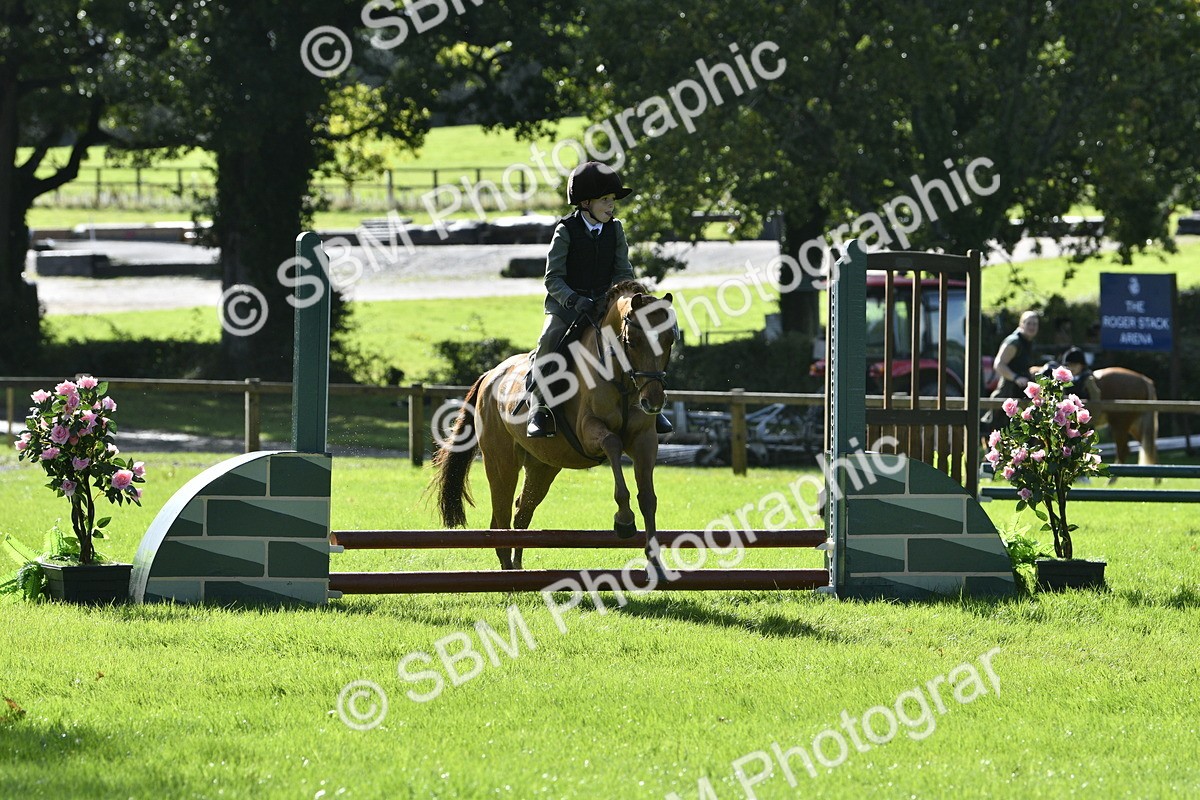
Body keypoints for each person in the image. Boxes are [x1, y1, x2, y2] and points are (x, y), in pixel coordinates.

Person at [525, 161, 673, 438]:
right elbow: (552, 278)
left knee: (641, 338)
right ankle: (539, 407)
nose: (611, 205)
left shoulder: (615, 229)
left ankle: (652, 402)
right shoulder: (565, 231)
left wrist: (625, 299)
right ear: (585, 203)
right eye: (605, 200)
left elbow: (623, 272)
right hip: (567, 307)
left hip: (605, 305)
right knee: (549, 339)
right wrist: (574, 300)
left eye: (612, 200)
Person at [982, 310, 1039, 437]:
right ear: (1021, 324)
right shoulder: (1014, 342)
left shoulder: (1028, 342)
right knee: (1003, 432)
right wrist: (1016, 377)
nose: (1032, 327)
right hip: (1008, 392)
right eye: (1029, 323)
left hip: (1022, 393)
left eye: (1035, 324)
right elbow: (998, 364)